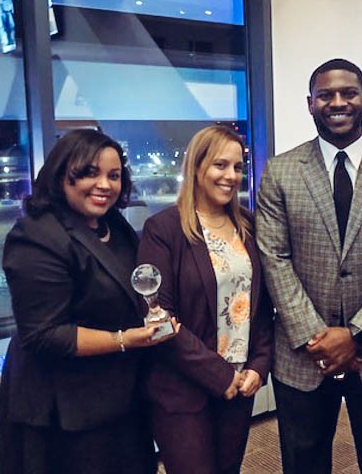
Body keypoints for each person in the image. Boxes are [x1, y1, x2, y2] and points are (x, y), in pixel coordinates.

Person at [256, 58, 362, 474]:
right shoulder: (280, 172)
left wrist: (357, 334)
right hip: (302, 355)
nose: (338, 102)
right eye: (325, 95)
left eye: (348, 93)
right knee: (303, 463)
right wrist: (319, 338)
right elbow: (274, 257)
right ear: (309, 104)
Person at [0, 129, 176, 474]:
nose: (104, 184)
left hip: (119, 397)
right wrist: (127, 339)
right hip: (62, 412)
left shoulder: (113, 225)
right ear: (62, 173)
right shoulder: (36, 235)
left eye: (114, 175)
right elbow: (45, 335)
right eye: (90, 172)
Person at [137, 125, 273, 474]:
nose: (230, 176)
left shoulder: (249, 226)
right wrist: (219, 375)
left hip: (240, 386)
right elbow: (158, 320)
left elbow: (261, 305)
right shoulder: (163, 229)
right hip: (183, 390)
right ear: (196, 167)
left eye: (238, 167)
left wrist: (259, 365)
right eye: (220, 165)